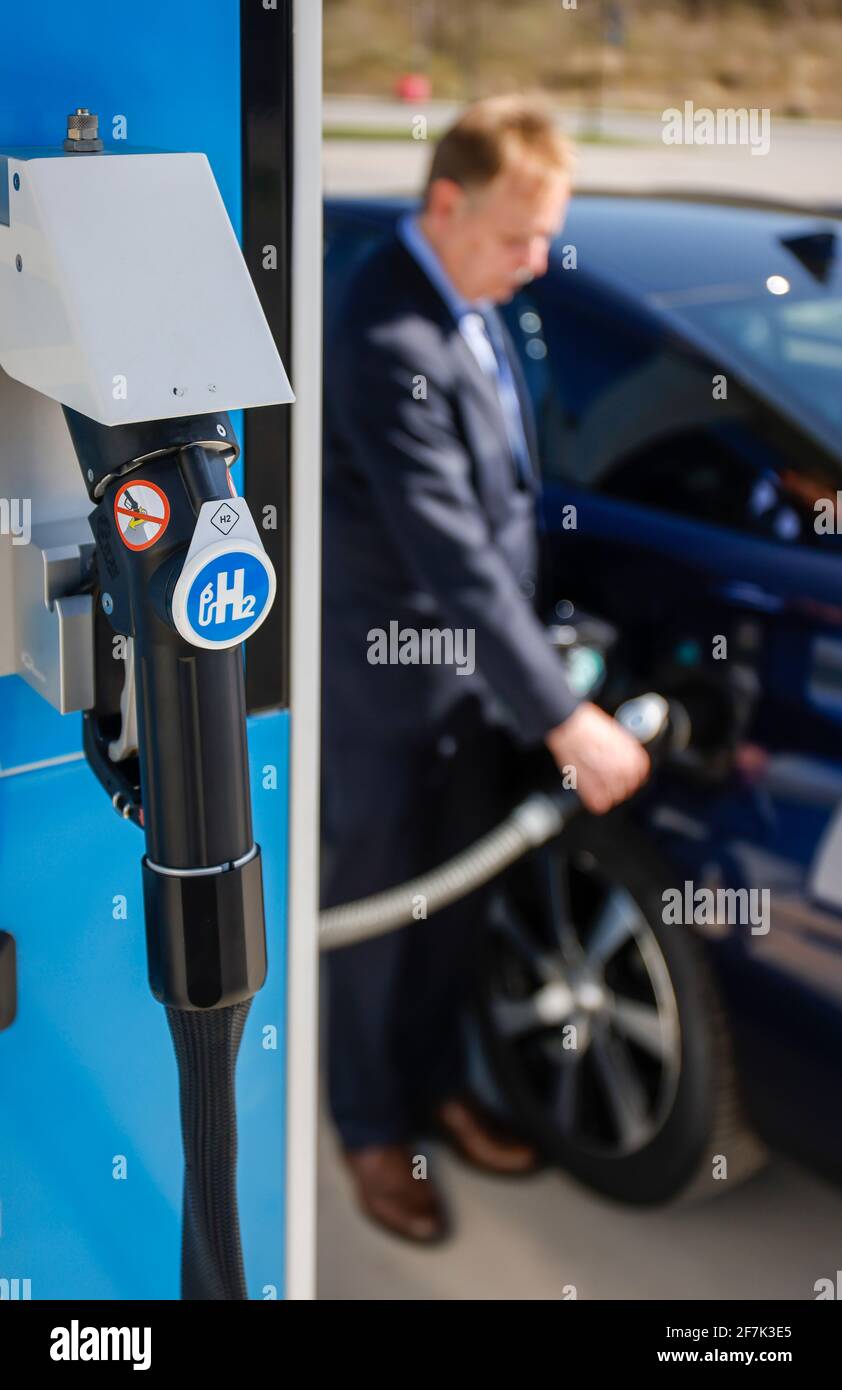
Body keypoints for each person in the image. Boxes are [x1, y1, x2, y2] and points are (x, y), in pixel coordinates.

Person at [321, 96, 650, 1242]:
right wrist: (565, 716)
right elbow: (452, 553)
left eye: (547, 233)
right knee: (380, 919)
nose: (538, 260)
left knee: (455, 906)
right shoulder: (382, 339)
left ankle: (436, 1085)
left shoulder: (473, 295)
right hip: (390, 691)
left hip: (472, 685)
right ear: (445, 204)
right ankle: (370, 1129)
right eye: (519, 236)